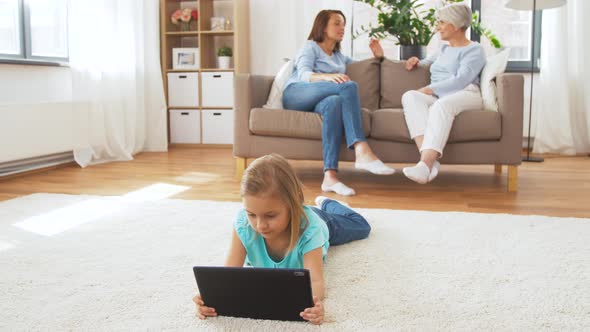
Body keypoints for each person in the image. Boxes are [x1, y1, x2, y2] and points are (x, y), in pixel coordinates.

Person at [193, 153, 371, 325]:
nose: (260, 225)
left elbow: (315, 281)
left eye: (270, 216)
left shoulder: (312, 229)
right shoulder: (243, 225)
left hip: (321, 221)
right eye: (252, 214)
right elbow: (228, 277)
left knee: (362, 226)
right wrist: (211, 299)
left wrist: (313, 304)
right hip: (298, 215)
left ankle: (328, 204)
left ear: (293, 205)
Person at [282, 9, 395, 197]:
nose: (342, 27)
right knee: (347, 86)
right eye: (336, 23)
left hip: (320, 99)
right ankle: (361, 149)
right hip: (297, 93)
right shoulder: (310, 47)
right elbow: (304, 74)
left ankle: (330, 177)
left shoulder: (339, 57)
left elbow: (362, 65)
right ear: (323, 27)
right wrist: (329, 77)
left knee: (334, 103)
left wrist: (378, 57)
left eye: (343, 24)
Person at [395, 3, 486, 184]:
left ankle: (425, 164)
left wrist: (430, 89)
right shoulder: (444, 49)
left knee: (441, 105)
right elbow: (426, 62)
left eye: (442, 23)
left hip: (466, 93)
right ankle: (428, 163)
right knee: (410, 96)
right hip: (439, 95)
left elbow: (462, 79)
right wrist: (415, 61)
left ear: (456, 24)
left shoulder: (475, 50)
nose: (438, 27)